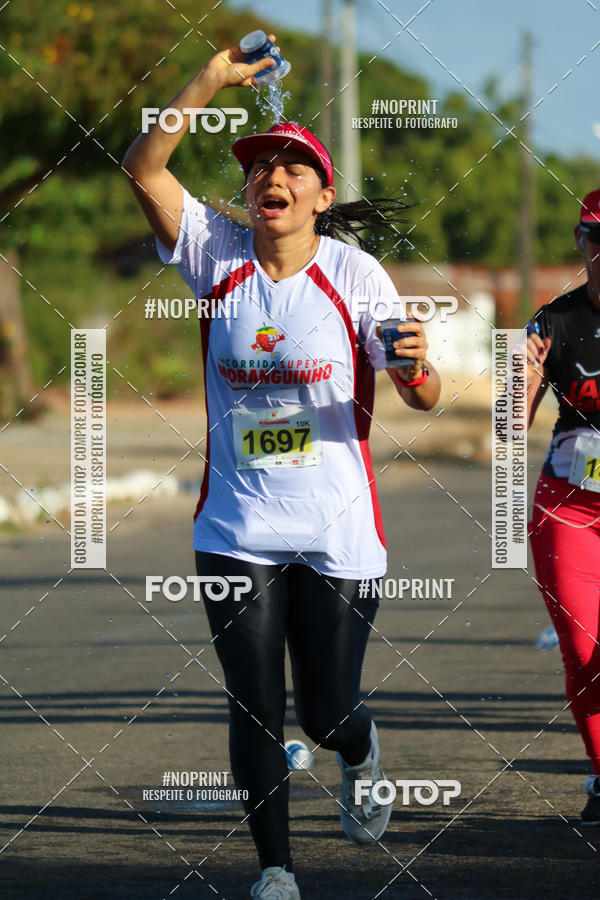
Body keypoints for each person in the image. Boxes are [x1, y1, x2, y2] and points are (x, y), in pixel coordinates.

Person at [123, 37, 441, 899]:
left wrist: (412, 364)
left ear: (321, 194)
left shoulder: (354, 273)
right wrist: (210, 79)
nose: (274, 174)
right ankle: (275, 870)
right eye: (262, 163)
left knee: (325, 711)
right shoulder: (213, 256)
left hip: (337, 525)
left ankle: (360, 748)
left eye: (295, 165)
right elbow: (144, 166)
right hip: (236, 528)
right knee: (255, 701)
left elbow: (421, 393)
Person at [526, 188, 600, 827]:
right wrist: (515, 377)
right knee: (582, 650)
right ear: (583, 244)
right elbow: (502, 430)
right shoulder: (550, 322)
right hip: (570, 510)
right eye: (597, 239)